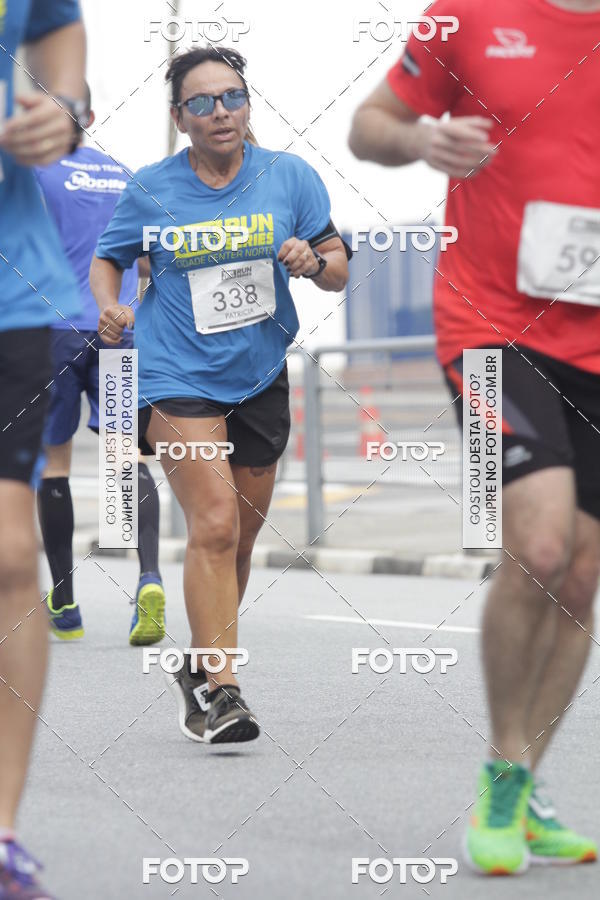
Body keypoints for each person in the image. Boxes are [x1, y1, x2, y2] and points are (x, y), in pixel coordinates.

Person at [348, 0, 600, 876]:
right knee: (537, 543)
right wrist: (420, 143)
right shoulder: (471, 15)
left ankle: (528, 780)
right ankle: (501, 769)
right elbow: (370, 125)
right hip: (491, 326)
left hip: (597, 341)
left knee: (581, 570)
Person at [90, 46, 350, 744]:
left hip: (259, 376)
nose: (220, 112)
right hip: (176, 375)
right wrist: (110, 308)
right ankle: (222, 689)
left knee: (239, 541)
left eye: (231, 96)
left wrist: (313, 259)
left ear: (247, 102)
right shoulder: (150, 188)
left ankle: (199, 666)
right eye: (201, 103)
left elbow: (338, 271)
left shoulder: (288, 176)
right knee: (212, 524)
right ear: (180, 117)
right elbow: (107, 257)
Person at [0, 2, 86, 897]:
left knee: (8, 555)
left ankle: (1, 831)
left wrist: (64, 105)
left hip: (13, 292)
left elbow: (58, 22)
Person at [35, 86, 166, 646]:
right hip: (118, 330)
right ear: (89, 115)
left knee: (55, 464)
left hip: (52, 330)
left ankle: (64, 599)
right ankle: (149, 578)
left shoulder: (29, 173)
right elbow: (147, 261)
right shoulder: (122, 173)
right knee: (124, 457)